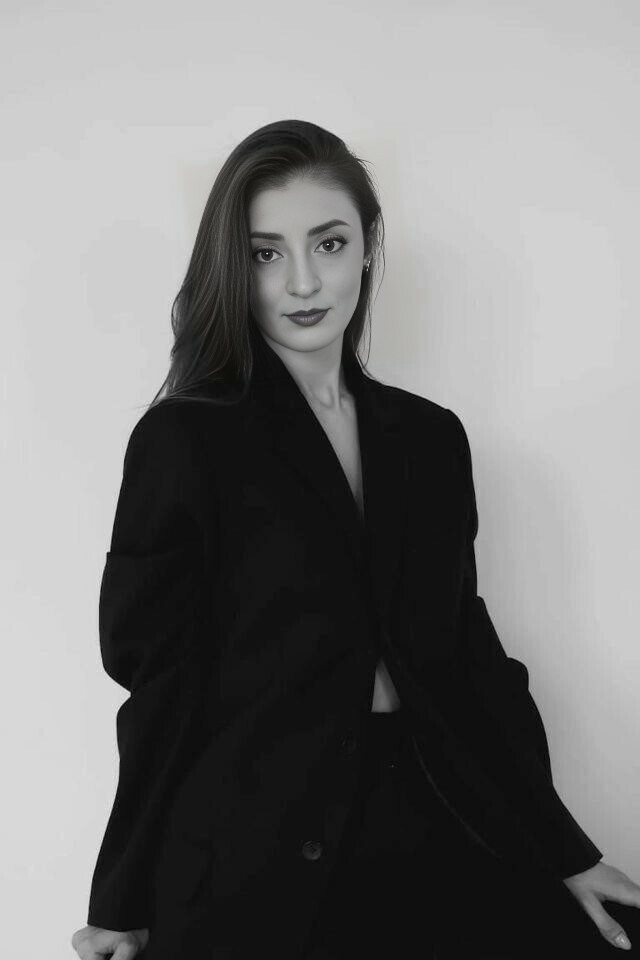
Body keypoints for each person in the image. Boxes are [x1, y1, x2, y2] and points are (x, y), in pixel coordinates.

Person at [71, 120, 640, 960]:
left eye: (329, 243)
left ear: (368, 247)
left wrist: (567, 849)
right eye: (266, 253)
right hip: (255, 845)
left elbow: (467, 656)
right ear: (233, 266)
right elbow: (158, 683)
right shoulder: (186, 440)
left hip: (438, 808)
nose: (303, 281)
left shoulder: (430, 438)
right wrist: (120, 901)